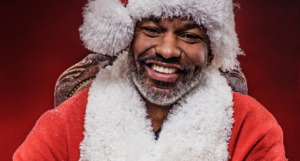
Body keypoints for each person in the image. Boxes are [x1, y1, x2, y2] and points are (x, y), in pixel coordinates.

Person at [13, 0, 287, 160]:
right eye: (152, 30)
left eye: (190, 36)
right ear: (128, 38)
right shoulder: (65, 122)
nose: (167, 51)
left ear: (212, 50)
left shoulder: (252, 126)